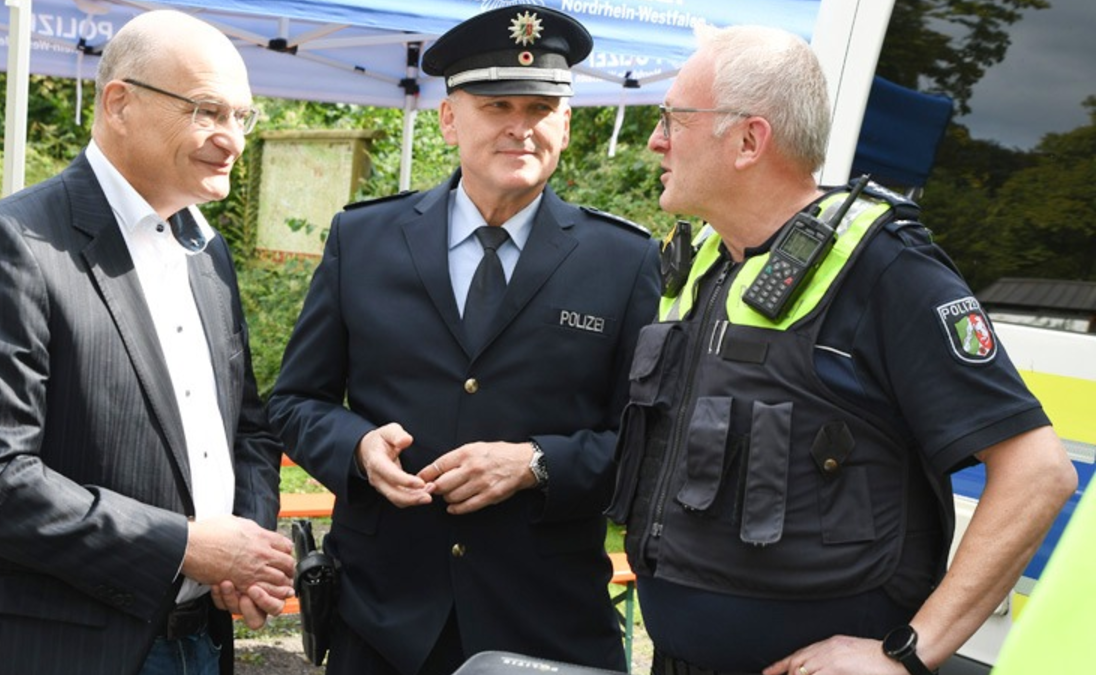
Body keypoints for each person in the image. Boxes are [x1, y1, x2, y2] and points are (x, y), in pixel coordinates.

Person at [605, 23, 1078, 675]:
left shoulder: (888, 269)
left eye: (673, 119)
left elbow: (1040, 472)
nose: (655, 140)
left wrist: (908, 652)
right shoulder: (708, 263)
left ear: (748, 140)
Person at [266, 5, 661, 675]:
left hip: (544, 623)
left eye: (540, 109)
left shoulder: (622, 260)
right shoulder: (364, 240)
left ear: (565, 124)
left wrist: (536, 463)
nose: (520, 127)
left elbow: (646, 443)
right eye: (497, 105)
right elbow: (294, 401)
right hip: (382, 623)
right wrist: (358, 448)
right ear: (450, 119)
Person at [0, 10, 294, 675]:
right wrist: (184, 546)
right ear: (119, 103)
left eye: (243, 116)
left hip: (202, 638)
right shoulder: (14, 245)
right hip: (63, 647)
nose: (232, 139)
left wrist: (247, 545)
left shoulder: (207, 252)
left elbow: (247, 429)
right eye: (208, 111)